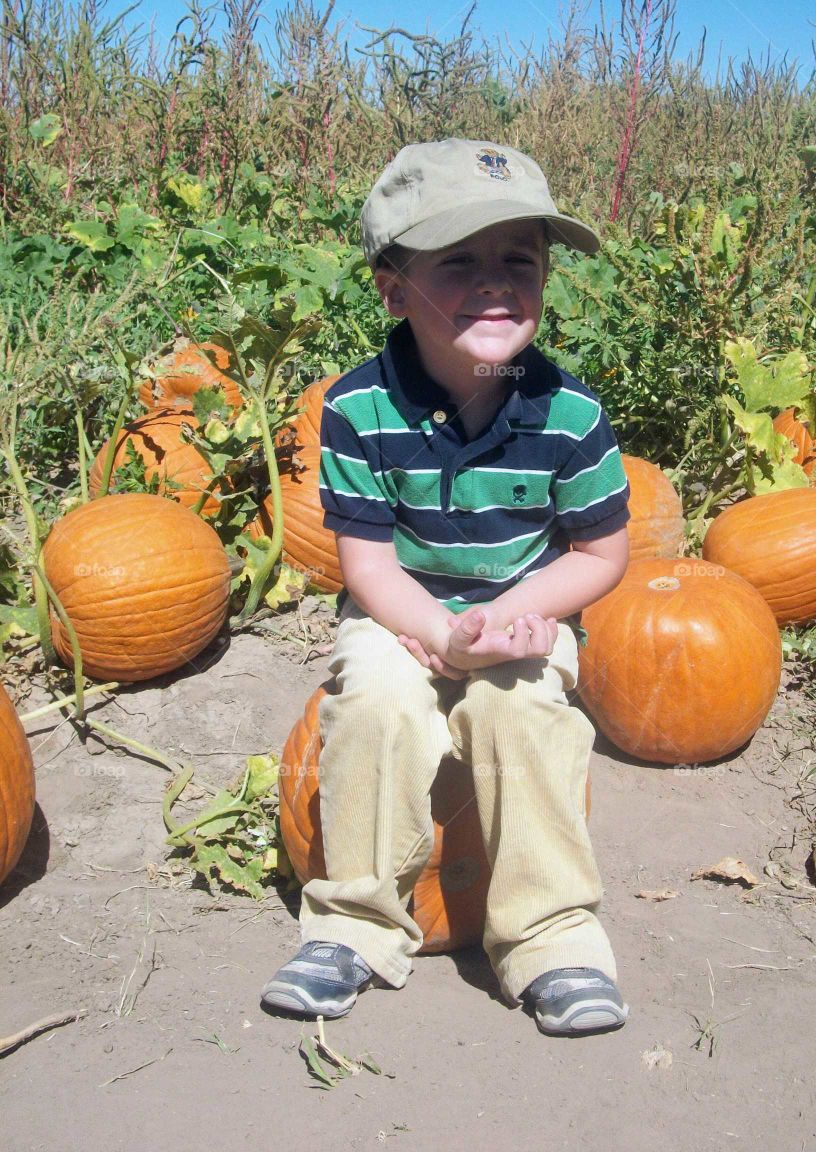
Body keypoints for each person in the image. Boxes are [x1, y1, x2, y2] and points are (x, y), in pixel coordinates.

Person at [261, 138, 631, 1036]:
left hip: (521, 613)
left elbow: (600, 553)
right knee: (378, 698)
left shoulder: (570, 415)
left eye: (519, 260)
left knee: (525, 708)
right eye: (459, 261)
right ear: (395, 290)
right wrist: (435, 630)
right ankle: (352, 923)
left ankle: (552, 938)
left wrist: (511, 616)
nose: (495, 282)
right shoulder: (357, 410)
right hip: (397, 612)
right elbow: (368, 567)